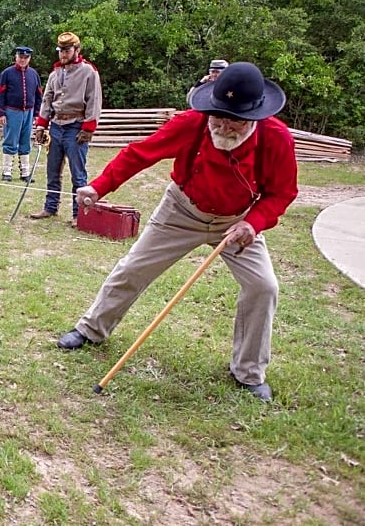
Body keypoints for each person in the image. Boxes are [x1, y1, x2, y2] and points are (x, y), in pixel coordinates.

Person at [56, 62, 297, 403]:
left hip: (237, 222)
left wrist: (253, 223)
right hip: (181, 210)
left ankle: (248, 373)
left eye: (235, 120)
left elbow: (282, 193)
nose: (225, 126)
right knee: (133, 267)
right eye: (218, 116)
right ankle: (91, 329)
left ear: (255, 116)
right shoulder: (191, 124)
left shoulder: (276, 139)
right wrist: (98, 187)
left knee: (264, 286)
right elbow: (139, 154)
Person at [30, 32, 102, 226]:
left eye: (67, 50)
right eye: (61, 50)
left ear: (76, 50)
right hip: (56, 126)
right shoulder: (55, 73)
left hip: (76, 126)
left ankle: (79, 214)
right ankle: (50, 207)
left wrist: (88, 128)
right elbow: (47, 100)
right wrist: (41, 125)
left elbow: (94, 101)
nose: (63, 54)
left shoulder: (88, 72)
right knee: (52, 170)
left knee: (78, 174)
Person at [0, 46, 44, 181]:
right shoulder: (7, 73)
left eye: (26, 58)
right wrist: (1, 113)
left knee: (25, 142)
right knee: (10, 141)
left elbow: (39, 95)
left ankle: (25, 173)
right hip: (12, 112)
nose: (23, 60)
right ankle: (6, 172)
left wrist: (37, 114)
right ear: (16, 57)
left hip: (28, 112)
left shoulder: (33, 74)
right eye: (20, 57)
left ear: (29, 59)